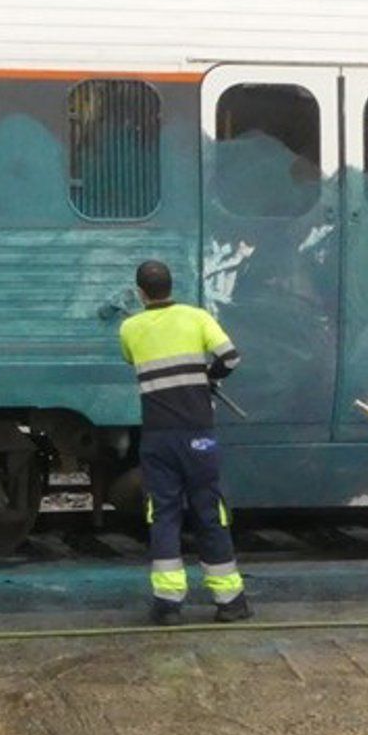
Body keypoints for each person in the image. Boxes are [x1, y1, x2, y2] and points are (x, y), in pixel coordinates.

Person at [117, 259, 251, 625]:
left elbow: (132, 359)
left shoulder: (130, 327)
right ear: (171, 286)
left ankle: (167, 603)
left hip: (157, 437)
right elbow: (231, 357)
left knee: (162, 514)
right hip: (198, 435)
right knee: (209, 511)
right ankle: (229, 601)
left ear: (141, 292)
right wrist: (209, 377)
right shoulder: (196, 317)